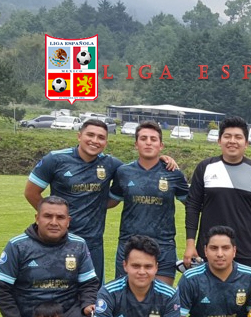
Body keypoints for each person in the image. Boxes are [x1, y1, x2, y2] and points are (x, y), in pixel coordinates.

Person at [25, 118, 177, 281]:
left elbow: (136, 171)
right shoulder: (55, 159)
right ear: (79, 136)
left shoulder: (110, 164)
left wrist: (161, 159)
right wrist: (54, 218)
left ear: (106, 142)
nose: (95, 141)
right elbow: (31, 193)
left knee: (92, 291)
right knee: (57, 286)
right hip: (60, 239)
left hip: (93, 242)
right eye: (90, 135)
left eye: (101, 137)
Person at [183, 116, 251, 272]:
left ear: (246, 143)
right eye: (227, 136)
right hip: (210, 249)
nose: (232, 141)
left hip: (247, 250)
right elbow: (193, 207)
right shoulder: (205, 167)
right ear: (219, 141)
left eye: (238, 137)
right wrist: (190, 244)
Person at [109, 121, 189, 285]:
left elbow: (192, 205)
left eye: (153, 139)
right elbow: (109, 202)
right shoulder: (123, 172)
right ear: (136, 144)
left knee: (161, 297)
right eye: (143, 138)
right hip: (129, 245)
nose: (148, 142)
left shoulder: (173, 174)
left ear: (161, 145)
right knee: (126, 297)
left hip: (163, 247)